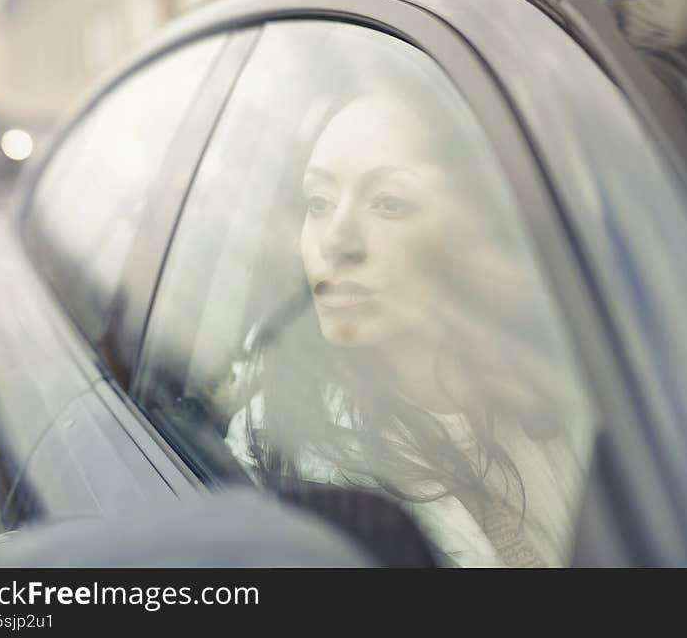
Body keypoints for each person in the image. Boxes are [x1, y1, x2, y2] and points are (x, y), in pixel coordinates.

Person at [216, 29, 594, 567]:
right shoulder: (274, 447)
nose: (337, 241)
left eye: (389, 203)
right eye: (318, 201)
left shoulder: (574, 385)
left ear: (479, 228)